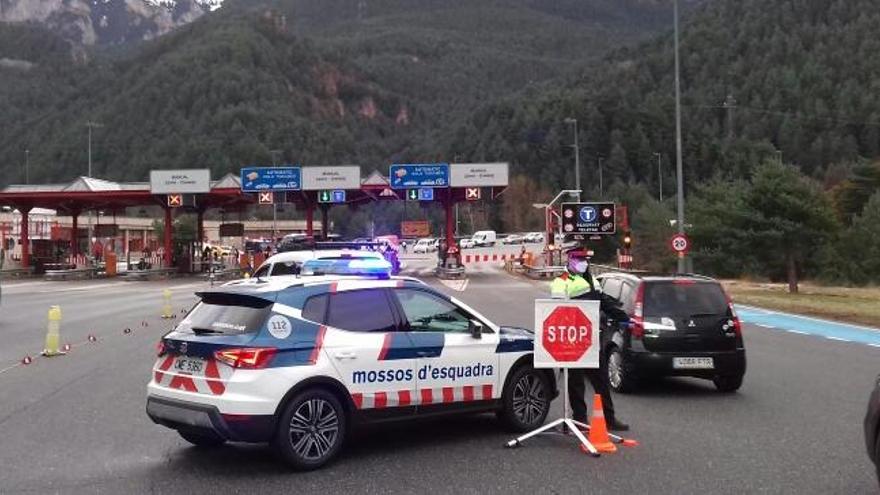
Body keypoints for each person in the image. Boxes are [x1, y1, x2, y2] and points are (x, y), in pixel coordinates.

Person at [550, 248, 630, 432]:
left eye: (585, 259)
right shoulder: (561, 282)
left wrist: (623, 317)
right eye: (579, 259)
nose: (583, 262)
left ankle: (609, 418)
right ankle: (579, 420)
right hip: (572, 339)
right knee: (576, 383)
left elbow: (604, 302)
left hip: (591, 338)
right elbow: (557, 310)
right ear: (570, 260)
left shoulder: (591, 279)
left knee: (601, 381)